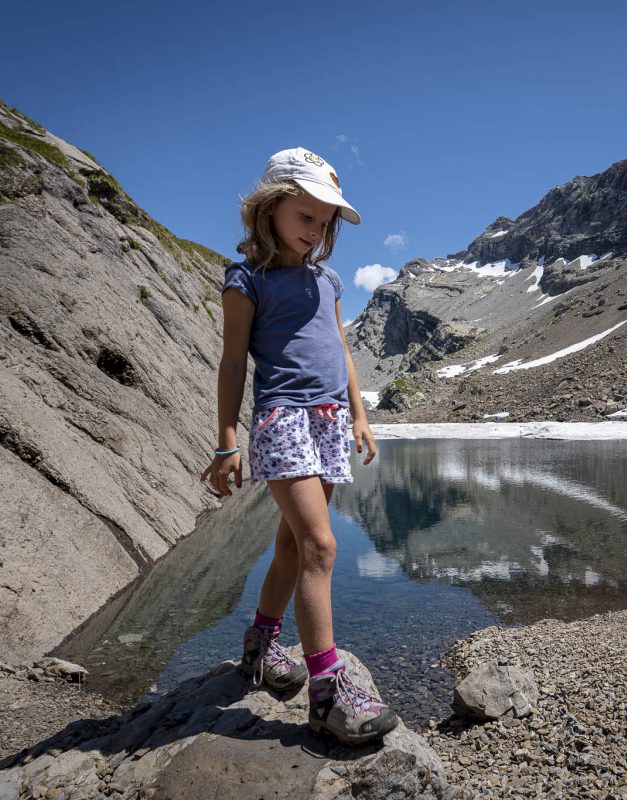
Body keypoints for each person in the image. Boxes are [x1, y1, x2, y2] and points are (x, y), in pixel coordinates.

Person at [200, 147, 397, 745]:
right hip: (282, 419)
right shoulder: (246, 281)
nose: (315, 230)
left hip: (330, 422)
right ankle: (328, 693)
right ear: (270, 209)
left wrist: (360, 416)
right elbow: (233, 363)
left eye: (325, 221)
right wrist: (226, 443)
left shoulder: (329, 281)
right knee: (320, 544)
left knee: (292, 545)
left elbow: (341, 353)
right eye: (305, 215)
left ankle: (260, 647)